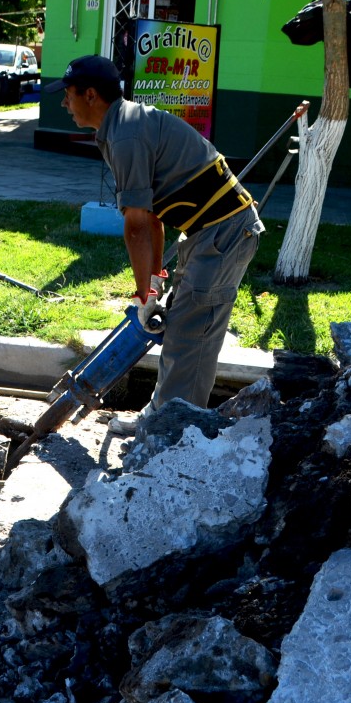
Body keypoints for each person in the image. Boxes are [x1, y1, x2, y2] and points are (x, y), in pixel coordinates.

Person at [45, 55, 264, 434]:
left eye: (68, 94)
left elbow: (136, 227)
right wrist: (154, 281)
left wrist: (143, 293)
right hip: (208, 230)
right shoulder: (122, 126)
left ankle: (174, 437)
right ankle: (162, 418)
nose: (64, 103)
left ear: (91, 95)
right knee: (182, 331)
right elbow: (152, 214)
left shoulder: (125, 135)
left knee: (190, 339)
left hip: (222, 231)